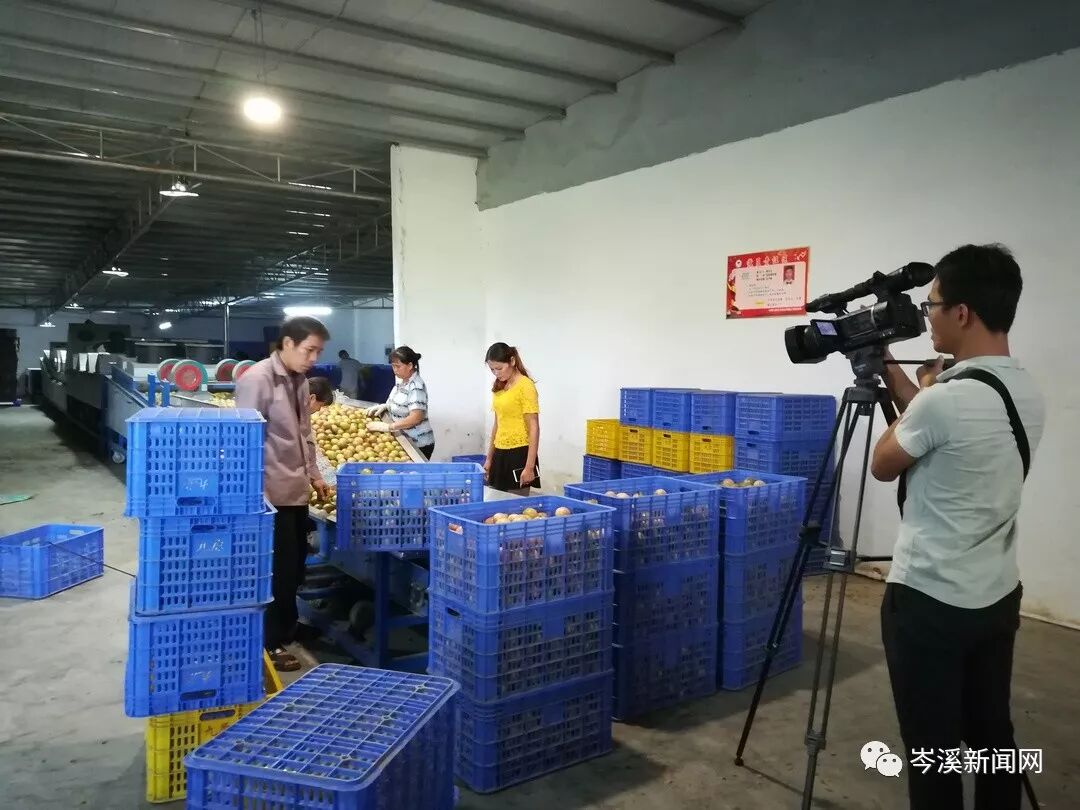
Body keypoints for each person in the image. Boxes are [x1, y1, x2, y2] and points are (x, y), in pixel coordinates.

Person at [871, 244, 1045, 810]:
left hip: (930, 601)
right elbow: (933, 427)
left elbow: (884, 462)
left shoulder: (943, 399)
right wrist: (894, 370)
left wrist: (923, 390)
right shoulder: (1023, 390)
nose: (927, 316)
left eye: (932, 305)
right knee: (993, 736)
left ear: (962, 313)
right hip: (996, 595)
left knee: (933, 751)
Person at [235, 316, 331, 672]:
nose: (313, 358)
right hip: (268, 495)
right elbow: (243, 441)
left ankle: (287, 628)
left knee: (293, 568)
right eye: (309, 350)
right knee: (272, 571)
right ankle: (268, 642)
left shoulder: (300, 382)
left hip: (295, 491)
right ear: (288, 344)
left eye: (318, 352)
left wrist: (315, 475)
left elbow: (305, 434)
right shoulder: (257, 379)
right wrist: (252, 494)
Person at [483, 342, 540, 494]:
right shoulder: (499, 387)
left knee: (516, 504)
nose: (496, 373)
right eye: (492, 369)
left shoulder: (525, 386)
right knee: (496, 502)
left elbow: (534, 427)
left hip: (519, 453)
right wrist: (489, 458)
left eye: (499, 368)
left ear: (512, 361)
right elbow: (497, 424)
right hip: (499, 452)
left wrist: (529, 467)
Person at [364, 346, 435, 459]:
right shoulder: (402, 382)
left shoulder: (416, 387)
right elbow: (400, 403)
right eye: (393, 366)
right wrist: (386, 406)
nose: (395, 370)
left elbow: (416, 418)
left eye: (398, 366)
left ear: (410, 365)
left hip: (418, 443)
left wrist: (389, 427)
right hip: (405, 438)